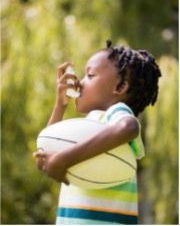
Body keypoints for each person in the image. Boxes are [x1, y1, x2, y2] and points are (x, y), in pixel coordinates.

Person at [33, 40, 161, 224]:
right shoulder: (90, 126)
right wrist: (60, 106)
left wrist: (65, 159)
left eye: (90, 75)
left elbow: (129, 128)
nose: (80, 83)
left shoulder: (115, 114)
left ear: (120, 87)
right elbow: (43, 158)